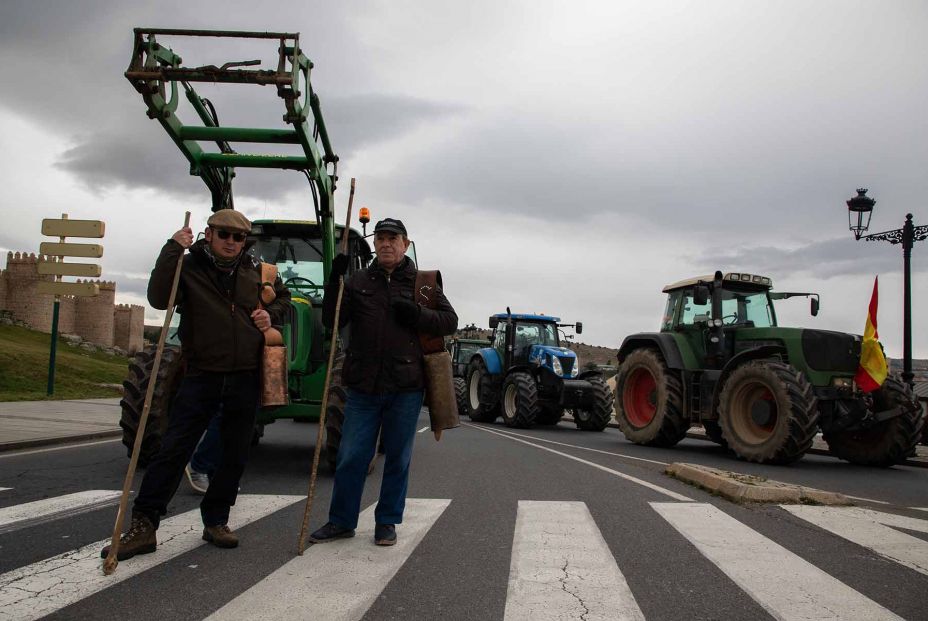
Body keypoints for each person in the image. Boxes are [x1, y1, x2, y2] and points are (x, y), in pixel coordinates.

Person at [102, 210, 290, 560]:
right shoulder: (188, 266)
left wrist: (272, 314)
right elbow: (160, 298)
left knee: (234, 455)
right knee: (172, 451)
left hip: (246, 375)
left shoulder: (260, 272)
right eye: (223, 234)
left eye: (238, 237)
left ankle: (216, 520)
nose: (231, 242)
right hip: (201, 374)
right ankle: (144, 526)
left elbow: (284, 299)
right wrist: (172, 248)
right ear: (208, 234)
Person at [309, 218, 457, 546]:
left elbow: (450, 321)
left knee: (398, 459)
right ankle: (341, 521)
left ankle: (386, 522)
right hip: (363, 387)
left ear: (405, 244)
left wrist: (417, 314)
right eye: (381, 238)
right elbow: (333, 319)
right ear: (375, 244)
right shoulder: (360, 281)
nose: (387, 244)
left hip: (405, 387)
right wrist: (335, 278)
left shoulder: (424, 284)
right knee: (351, 456)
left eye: (394, 238)